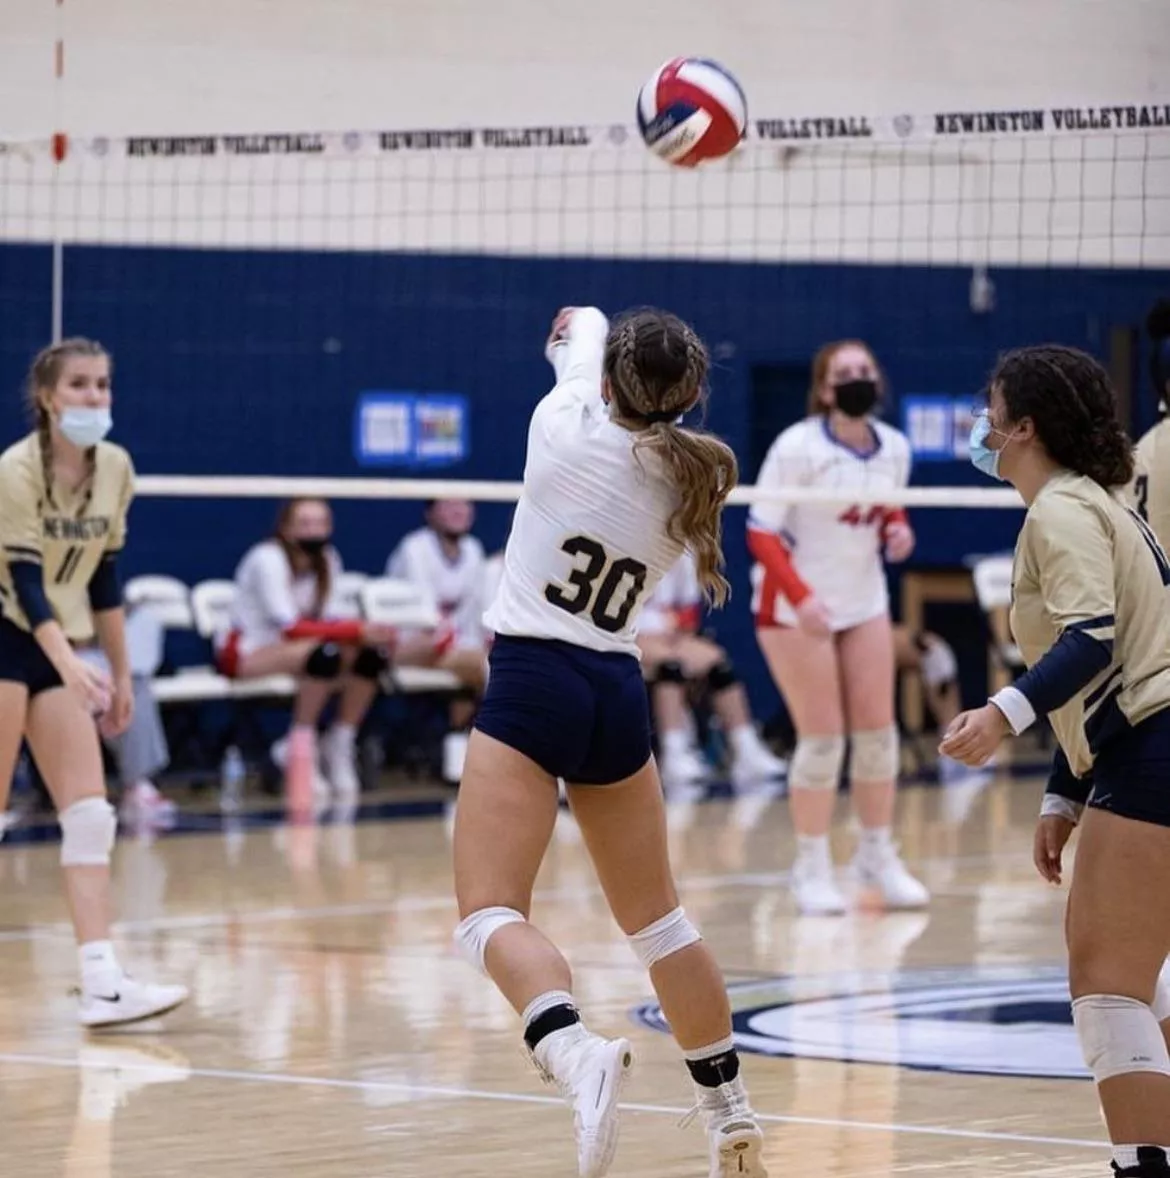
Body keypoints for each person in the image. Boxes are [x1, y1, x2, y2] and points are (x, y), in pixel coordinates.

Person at [453, 306, 767, 1178]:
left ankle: (569, 1046)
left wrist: (588, 326)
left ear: (606, 385)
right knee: (660, 922)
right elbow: (603, 362)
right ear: (693, 394)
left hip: (532, 680)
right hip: (615, 692)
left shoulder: (561, 429)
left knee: (487, 915)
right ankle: (728, 1112)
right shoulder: (692, 479)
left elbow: (577, 329)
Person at [940, 345, 1170, 1178]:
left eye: (991, 410)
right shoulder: (1092, 503)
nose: (982, 425)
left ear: (1024, 426)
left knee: (1107, 984)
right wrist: (1063, 795)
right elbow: (1113, 665)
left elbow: (1094, 638)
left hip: (1156, 745)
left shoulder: (1063, 511)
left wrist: (1000, 716)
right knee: (1143, 976)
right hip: (1141, 743)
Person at [0, 337, 188, 1027]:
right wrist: (70, 663)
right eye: (79, 386)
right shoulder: (16, 471)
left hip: (59, 646)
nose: (94, 398)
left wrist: (120, 671)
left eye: (103, 386)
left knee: (89, 815)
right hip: (9, 632)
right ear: (48, 398)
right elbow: (23, 583)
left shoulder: (116, 467)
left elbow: (106, 577)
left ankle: (103, 981)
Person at [747, 339, 928, 915]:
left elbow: (886, 507)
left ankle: (876, 854)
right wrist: (801, 599)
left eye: (864, 371)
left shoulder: (894, 447)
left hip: (863, 600)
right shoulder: (796, 447)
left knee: (879, 736)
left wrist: (898, 530)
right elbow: (761, 531)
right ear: (825, 389)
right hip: (794, 604)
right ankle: (811, 867)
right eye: (844, 373)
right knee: (823, 740)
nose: (856, 380)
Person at [216, 499, 394, 801]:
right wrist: (354, 630)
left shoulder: (328, 558)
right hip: (248, 651)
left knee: (371, 655)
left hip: (301, 649)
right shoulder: (267, 558)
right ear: (285, 528)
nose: (314, 531)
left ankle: (340, 740)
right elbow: (290, 628)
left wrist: (368, 632)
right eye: (305, 524)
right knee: (323, 654)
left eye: (320, 524)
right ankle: (300, 747)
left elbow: (331, 618)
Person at [638, 551, 786, 791]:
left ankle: (745, 749)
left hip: (669, 636)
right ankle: (674, 752)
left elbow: (688, 614)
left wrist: (677, 634)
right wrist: (660, 631)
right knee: (670, 665)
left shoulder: (683, 552)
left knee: (717, 662)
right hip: (632, 636)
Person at [386, 499, 489, 783]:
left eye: (464, 505)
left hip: (454, 648)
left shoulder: (473, 549)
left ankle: (458, 754)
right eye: (448, 505)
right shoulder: (414, 547)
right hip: (407, 644)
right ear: (430, 514)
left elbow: (474, 610)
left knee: (479, 665)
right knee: (475, 663)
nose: (458, 510)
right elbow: (425, 612)